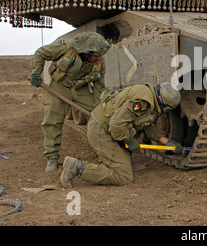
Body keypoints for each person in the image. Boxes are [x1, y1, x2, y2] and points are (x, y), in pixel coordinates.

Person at [59, 82, 182, 188]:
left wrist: (167, 142)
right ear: (163, 103)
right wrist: (129, 141)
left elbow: (147, 125)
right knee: (124, 177)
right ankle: (77, 167)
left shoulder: (149, 95)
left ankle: (125, 162)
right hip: (100, 130)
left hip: (107, 127)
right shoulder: (143, 102)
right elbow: (116, 125)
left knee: (131, 134)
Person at [30, 32, 111, 172]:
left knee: (101, 118)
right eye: (96, 55)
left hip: (81, 88)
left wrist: (101, 107)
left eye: (100, 55)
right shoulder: (66, 49)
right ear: (86, 53)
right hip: (60, 86)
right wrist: (36, 73)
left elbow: (99, 86)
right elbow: (40, 53)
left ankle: (110, 155)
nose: (99, 58)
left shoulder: (99, 61)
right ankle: (52, 157)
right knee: (52, 120)